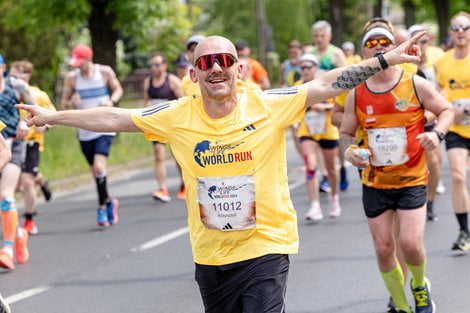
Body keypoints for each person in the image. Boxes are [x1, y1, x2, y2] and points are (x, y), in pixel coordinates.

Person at [19, 34, 424, 312]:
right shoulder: (176, 116)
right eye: (206, 63)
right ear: (193, 74)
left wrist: (387, 58)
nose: (216, 69)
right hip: (210, 255)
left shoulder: (267, 104)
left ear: (239, 70)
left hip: (265, 246)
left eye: (225, 61)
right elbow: (113, 117)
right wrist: (52, 115)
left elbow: (328, 83)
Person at [340, 23, 454, 313]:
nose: (379, 46)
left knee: (410, 244)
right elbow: (345, 135)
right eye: (372, 43)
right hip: (375, 182)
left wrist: (436, 134)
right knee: (383, 249)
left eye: (385, 42)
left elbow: (446, 110)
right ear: (364, 51)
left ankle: (418, 285)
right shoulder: (357, 92)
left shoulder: (414, 82)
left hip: (412, 178)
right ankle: (402, 305)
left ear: (395, 48)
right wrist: (351, 152)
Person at [60, 44, 122, 227]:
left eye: (81, 62)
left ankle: (101, 208)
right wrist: (71, 101)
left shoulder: (104, 72)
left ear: (89, 59)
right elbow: (63, 103)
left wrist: (111, 100)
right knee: (96, 173)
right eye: (76, 63)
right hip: (84, 130)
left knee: (98, 167)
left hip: (104, 126)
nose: (78, 66)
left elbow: (118, 89)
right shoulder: (72, 78)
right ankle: (109, 200)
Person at [9, 60, 56, 235]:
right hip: (11, 143)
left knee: (27, 183)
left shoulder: (38, 95)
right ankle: (41, 180)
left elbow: (53, 116)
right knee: (15, 186)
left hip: (31, 142)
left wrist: (45, 125)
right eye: (13, 75)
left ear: (28, 75)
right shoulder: (7, 92)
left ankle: (29, 220)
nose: (16, 78)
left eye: (20, 74)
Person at [436, 11, 470, 251]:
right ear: (450, 32)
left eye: (465, 27)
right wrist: (444, 107)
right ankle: (464, 231)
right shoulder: (443, 61)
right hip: (456, 128)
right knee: (458, 176)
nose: (460, 31)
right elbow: (439, 91)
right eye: (456, 27)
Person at [0, 53, 36, 271]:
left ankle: (8, 249)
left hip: (14, 144)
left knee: (6, 195)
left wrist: (25, 123)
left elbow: (35, 112)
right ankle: (19, 234)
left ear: (2, 67)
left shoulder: (17, 86)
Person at [296, 53, 342, 220]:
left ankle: (334, 198)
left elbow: (336, 106)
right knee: (311, 166)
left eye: (308, 67)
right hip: (307, 131)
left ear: (315, 68)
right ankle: (314, 205)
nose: (305, 70)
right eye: (302, 67)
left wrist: (323, 107)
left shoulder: (324, 84)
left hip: (327, 130)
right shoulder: (298, 86)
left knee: (330, 169)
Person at [408, 25, 446, 222]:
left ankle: (429, 203)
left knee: (434, 161)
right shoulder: (405, 61)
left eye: (423, 41)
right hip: (408, 119)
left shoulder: (438, 58)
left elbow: (444, 85)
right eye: (416, 41)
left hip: (429, 113)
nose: (421, 45)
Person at [311, 20, 350, 192]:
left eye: (322, 36)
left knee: (336, 140)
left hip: (333, 101)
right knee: (317, 140)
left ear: (329, 36)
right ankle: (324, 175)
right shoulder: (310, 53)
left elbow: (346, 78)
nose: (319, 39)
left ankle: (341, 168)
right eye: (316, 36)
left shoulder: (336, 54)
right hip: (315, 102)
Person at [143, 52, 185, 202]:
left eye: (157, 65)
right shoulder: (148, 82)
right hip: (156, 124)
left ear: (165, 65)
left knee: (177, 156)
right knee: (158, 154)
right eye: (152, 65)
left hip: (173, 124)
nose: (155, 68)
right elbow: (146, 102)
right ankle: (162, 188)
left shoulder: (172, 81)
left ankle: (184, 185)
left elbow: (183, 103)